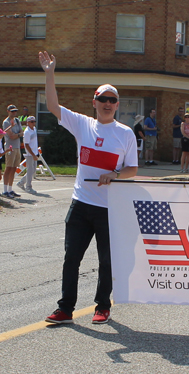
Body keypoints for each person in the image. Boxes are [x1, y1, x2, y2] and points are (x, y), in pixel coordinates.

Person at [39, 51, 138, 325]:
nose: (107, 103)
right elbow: (53, 105)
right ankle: (65, 309)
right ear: (94, 102)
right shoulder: (83, 124)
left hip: (110, 209)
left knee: (107, 262)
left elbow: (132, 169)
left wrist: (114, 174)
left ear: (117, 105)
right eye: (103, 99)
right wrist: (49, 73)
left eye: (112, 100)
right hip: (81, 205)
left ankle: (102, 306)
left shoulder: (125, 133)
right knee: (71, 259)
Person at [2, 104, 24, 198]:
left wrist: (18, 134)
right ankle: (5, 190)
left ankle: (10, 189)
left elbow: (21, 132)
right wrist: (18, 134)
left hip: (17, 146)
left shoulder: (17, 120)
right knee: (8, 167)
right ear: (8, 111)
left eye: (15, 111)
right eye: (12, 111)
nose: (14, 113)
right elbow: (11, 136)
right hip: (10, 147)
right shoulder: (6, 122)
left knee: (14, 168)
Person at [17, 116, 39, 194]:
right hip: (30, 154)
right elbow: (26, 145)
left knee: (32, 170)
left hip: (35, 152)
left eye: (34, 121)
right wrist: (33, 154)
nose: (34, 123)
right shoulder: (27, 132)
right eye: (32, 122)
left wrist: (36, 152)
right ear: (28, 122)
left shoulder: (34, 129)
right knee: (30, 170)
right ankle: (28, 187)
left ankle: (21, 183)